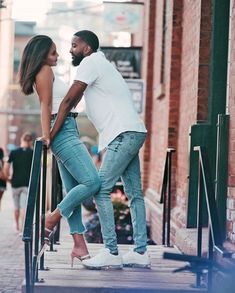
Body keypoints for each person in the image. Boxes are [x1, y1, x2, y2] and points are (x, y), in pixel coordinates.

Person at [50, 30, 150, 269]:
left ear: (86, 47)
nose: (70, 49)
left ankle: (111, 251)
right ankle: (140, 252)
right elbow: (74, 101)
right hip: (132, 130)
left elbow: (68, 100)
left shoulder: (90, 61)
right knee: (134, 192)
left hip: (122, 133)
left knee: (100, 189)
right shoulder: (102, 64)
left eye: (74, 45)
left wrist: (50, 135)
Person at [18, 35, 101, 265]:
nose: (57, 56)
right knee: (92, 182)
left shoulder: (48, 70)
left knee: (73, 188)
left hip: (65, 127)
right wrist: (47, 135)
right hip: (61, 130)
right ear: (42, 55)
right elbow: (46, 104)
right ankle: (51, 218)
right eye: (53, 52)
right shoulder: (44, 70)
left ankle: (78, 245)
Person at [4, 133, 33, 232]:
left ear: (22, 139)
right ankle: (23, 227)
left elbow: (6, 167)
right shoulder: (32, 152)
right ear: (30, 141)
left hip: (15, 183)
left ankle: (17, 227)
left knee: (16, 206)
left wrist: (8, 178)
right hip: (26, 183)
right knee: (23, 206)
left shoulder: (14, 152)